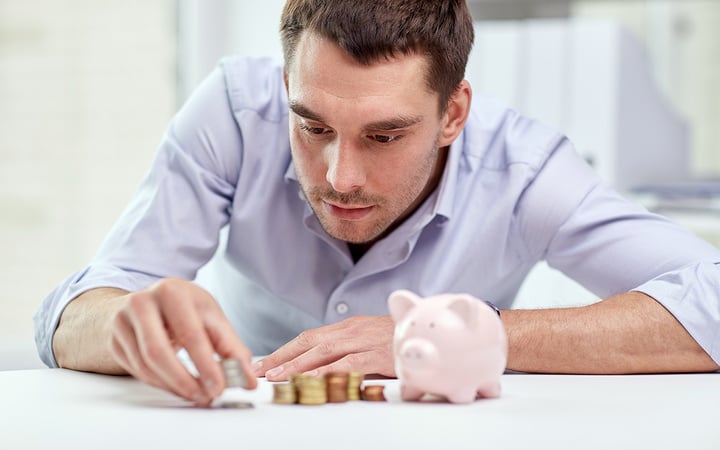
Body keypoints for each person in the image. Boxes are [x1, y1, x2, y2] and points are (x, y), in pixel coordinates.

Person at [36, 0, 720, 406]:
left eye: (385, 135)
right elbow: (72, 315)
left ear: (454, 114)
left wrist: (483, 336)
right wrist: (122, 322)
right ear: (285, 86)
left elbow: (711, 294)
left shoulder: (526, 172)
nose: (341, 176)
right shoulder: (234, 114)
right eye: (312, 126)